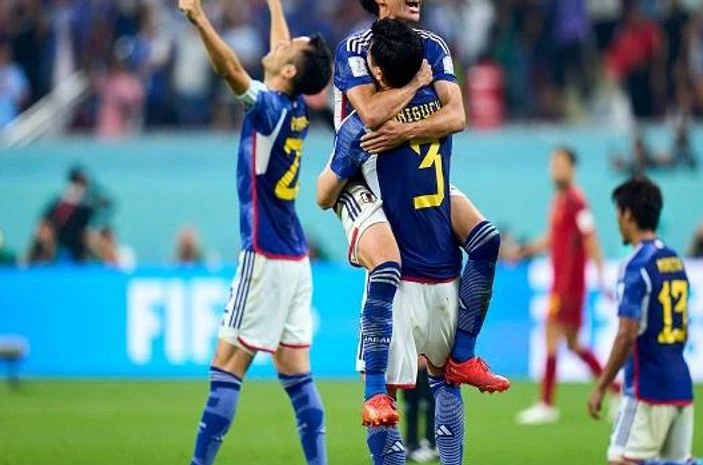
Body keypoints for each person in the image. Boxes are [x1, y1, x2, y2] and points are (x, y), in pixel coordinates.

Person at [322, 0, 510, 426]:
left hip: (419, 167)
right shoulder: (354, 48)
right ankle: (375, 392)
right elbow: (369, 115)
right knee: (387, 266)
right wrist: (416, 88)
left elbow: (457, 115)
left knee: (486, 239)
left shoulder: (433, 44)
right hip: (361, 175)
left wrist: (404, 130)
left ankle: (463, 354)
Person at [177, 1, 332, 464]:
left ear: (287, 70)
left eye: (290, 46)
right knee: (296, 373)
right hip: (295, 258)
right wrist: (275, 4)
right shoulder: (295, 106)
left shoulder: (267, 107)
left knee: (227, 366)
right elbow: (280, 52)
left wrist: (199, 19)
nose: (282, 41)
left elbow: (229, 71)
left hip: (264, 256)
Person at [320, 18, 467, 465]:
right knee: (447, 378)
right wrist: (423, 82)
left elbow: (324, 194)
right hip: (439, 255)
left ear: (377, 73)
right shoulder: (436, 103)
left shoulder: (360, 126)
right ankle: (470, 353)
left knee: (382, 394)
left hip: (397, 258)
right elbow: (458, 117)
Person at [586, 177, 694, 465]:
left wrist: (602, 385)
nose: (618, 222)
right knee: (674, 462)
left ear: (628, 214)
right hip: (681, 385)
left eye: (618, 214)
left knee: (620, 459)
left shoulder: (636, 265)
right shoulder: (674, 260)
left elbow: (626, 333)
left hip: (647, 389)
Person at [517, 147, 617, 425]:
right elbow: (553, 237)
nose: (554, 169)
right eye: (552, 164)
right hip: (562, 282)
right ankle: (618, 391)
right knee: (573, 344)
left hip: (569, 285)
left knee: (551, 336)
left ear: (572, 168)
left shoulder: (577, 201)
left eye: (560, 164)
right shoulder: (560, 201)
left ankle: (546, 404)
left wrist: (600, 276)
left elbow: (591, 240)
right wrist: (525, 250)